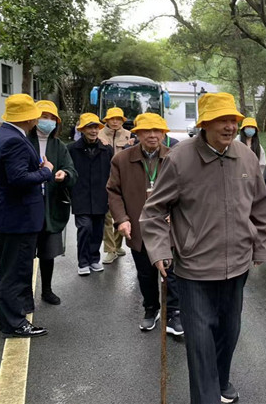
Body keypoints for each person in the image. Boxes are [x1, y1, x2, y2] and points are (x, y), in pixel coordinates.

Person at [140, 92, 266, 404]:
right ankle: (206, 397)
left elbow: (259, 204)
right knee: (200, 343)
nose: (230, 127)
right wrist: (160, 250)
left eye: (233, 120)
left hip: (237, 265)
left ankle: (221, 380)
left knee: (229, 332)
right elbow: (154, 211)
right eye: (221, 120)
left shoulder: (246, 156)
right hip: (194, 268)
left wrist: (260, 245)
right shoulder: (180, 159)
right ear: (204, 124)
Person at [107, 113, 182, 335]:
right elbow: (113, 191)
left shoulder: (175, 157)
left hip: (168, 228)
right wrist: (122, 219)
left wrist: (177, 212)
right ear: (137, 134)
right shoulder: (122, 160)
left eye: (157, 130)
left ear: (164, 134)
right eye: (147, 131)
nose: (152, 135)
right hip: (138, 227)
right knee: (145, 274)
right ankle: (151, 308)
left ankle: (174, 312)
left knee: (171, 273)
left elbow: (187, 190)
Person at [0, 94, 53, 338]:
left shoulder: (1, 135)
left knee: (9, 270)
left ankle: (7, 319)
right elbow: (19, 179)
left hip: (6, 215)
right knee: (15, 272)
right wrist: (46, 171)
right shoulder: (14, 140)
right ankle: (15, 323)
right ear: (29, 118)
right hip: (17, 219)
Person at [27, 100, 78, 305]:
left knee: (48, 252)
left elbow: (72, 172)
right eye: (43, 116)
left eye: (51, 118)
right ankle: (25, 293)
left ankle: (46, 290)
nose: (47, 121)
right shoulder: (24, 141)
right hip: (28, 206)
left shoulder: (59, 146)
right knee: (26, 252)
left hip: (52, 206)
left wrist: (64, 174)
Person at [68, 113, 114, 276]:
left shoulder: (107, 149)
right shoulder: (72, 149)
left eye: (96, 127)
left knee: (97, 230)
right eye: (89, 127)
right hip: (80, 196)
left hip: (101, 196)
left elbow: (113, 173)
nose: (93, 131)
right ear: (82, 129)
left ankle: (94, 259)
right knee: (85, 228)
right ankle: (83, 261)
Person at [99, 107, 133, 264]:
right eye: (112, 119)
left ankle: (117, 246)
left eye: (118, 119)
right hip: (104, 179)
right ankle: (110, 249)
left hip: (124, 180)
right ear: (106, 120)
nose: (115, 121)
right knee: (107, 216)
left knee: (121, 214)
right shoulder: (99, 134)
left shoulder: (129, 135)